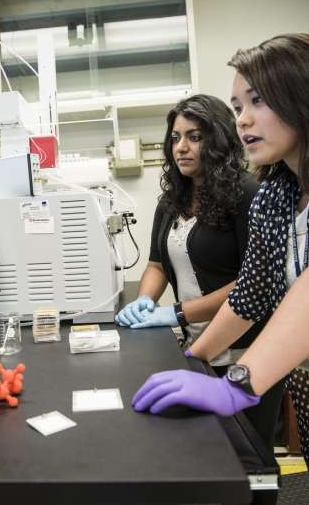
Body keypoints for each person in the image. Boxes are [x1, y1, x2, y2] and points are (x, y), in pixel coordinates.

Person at [131, 33, 309, 494]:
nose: (243, 119)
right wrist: (193, 362)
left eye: (258, 100)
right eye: (237, 106)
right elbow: (252, 293)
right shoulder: (277, 193)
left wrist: (236, 386)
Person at [114, 93, 284, 450]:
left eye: (194, 136)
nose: (181, 147)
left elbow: (253, 283)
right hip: (197, 346)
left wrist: (176, 312)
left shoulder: (247, 194)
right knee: (209, 452)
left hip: (245, 350)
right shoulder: (170, 200)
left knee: (250, 456)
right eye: (175, 138)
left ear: (218, 139)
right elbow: (157, 263)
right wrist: (146, 300)